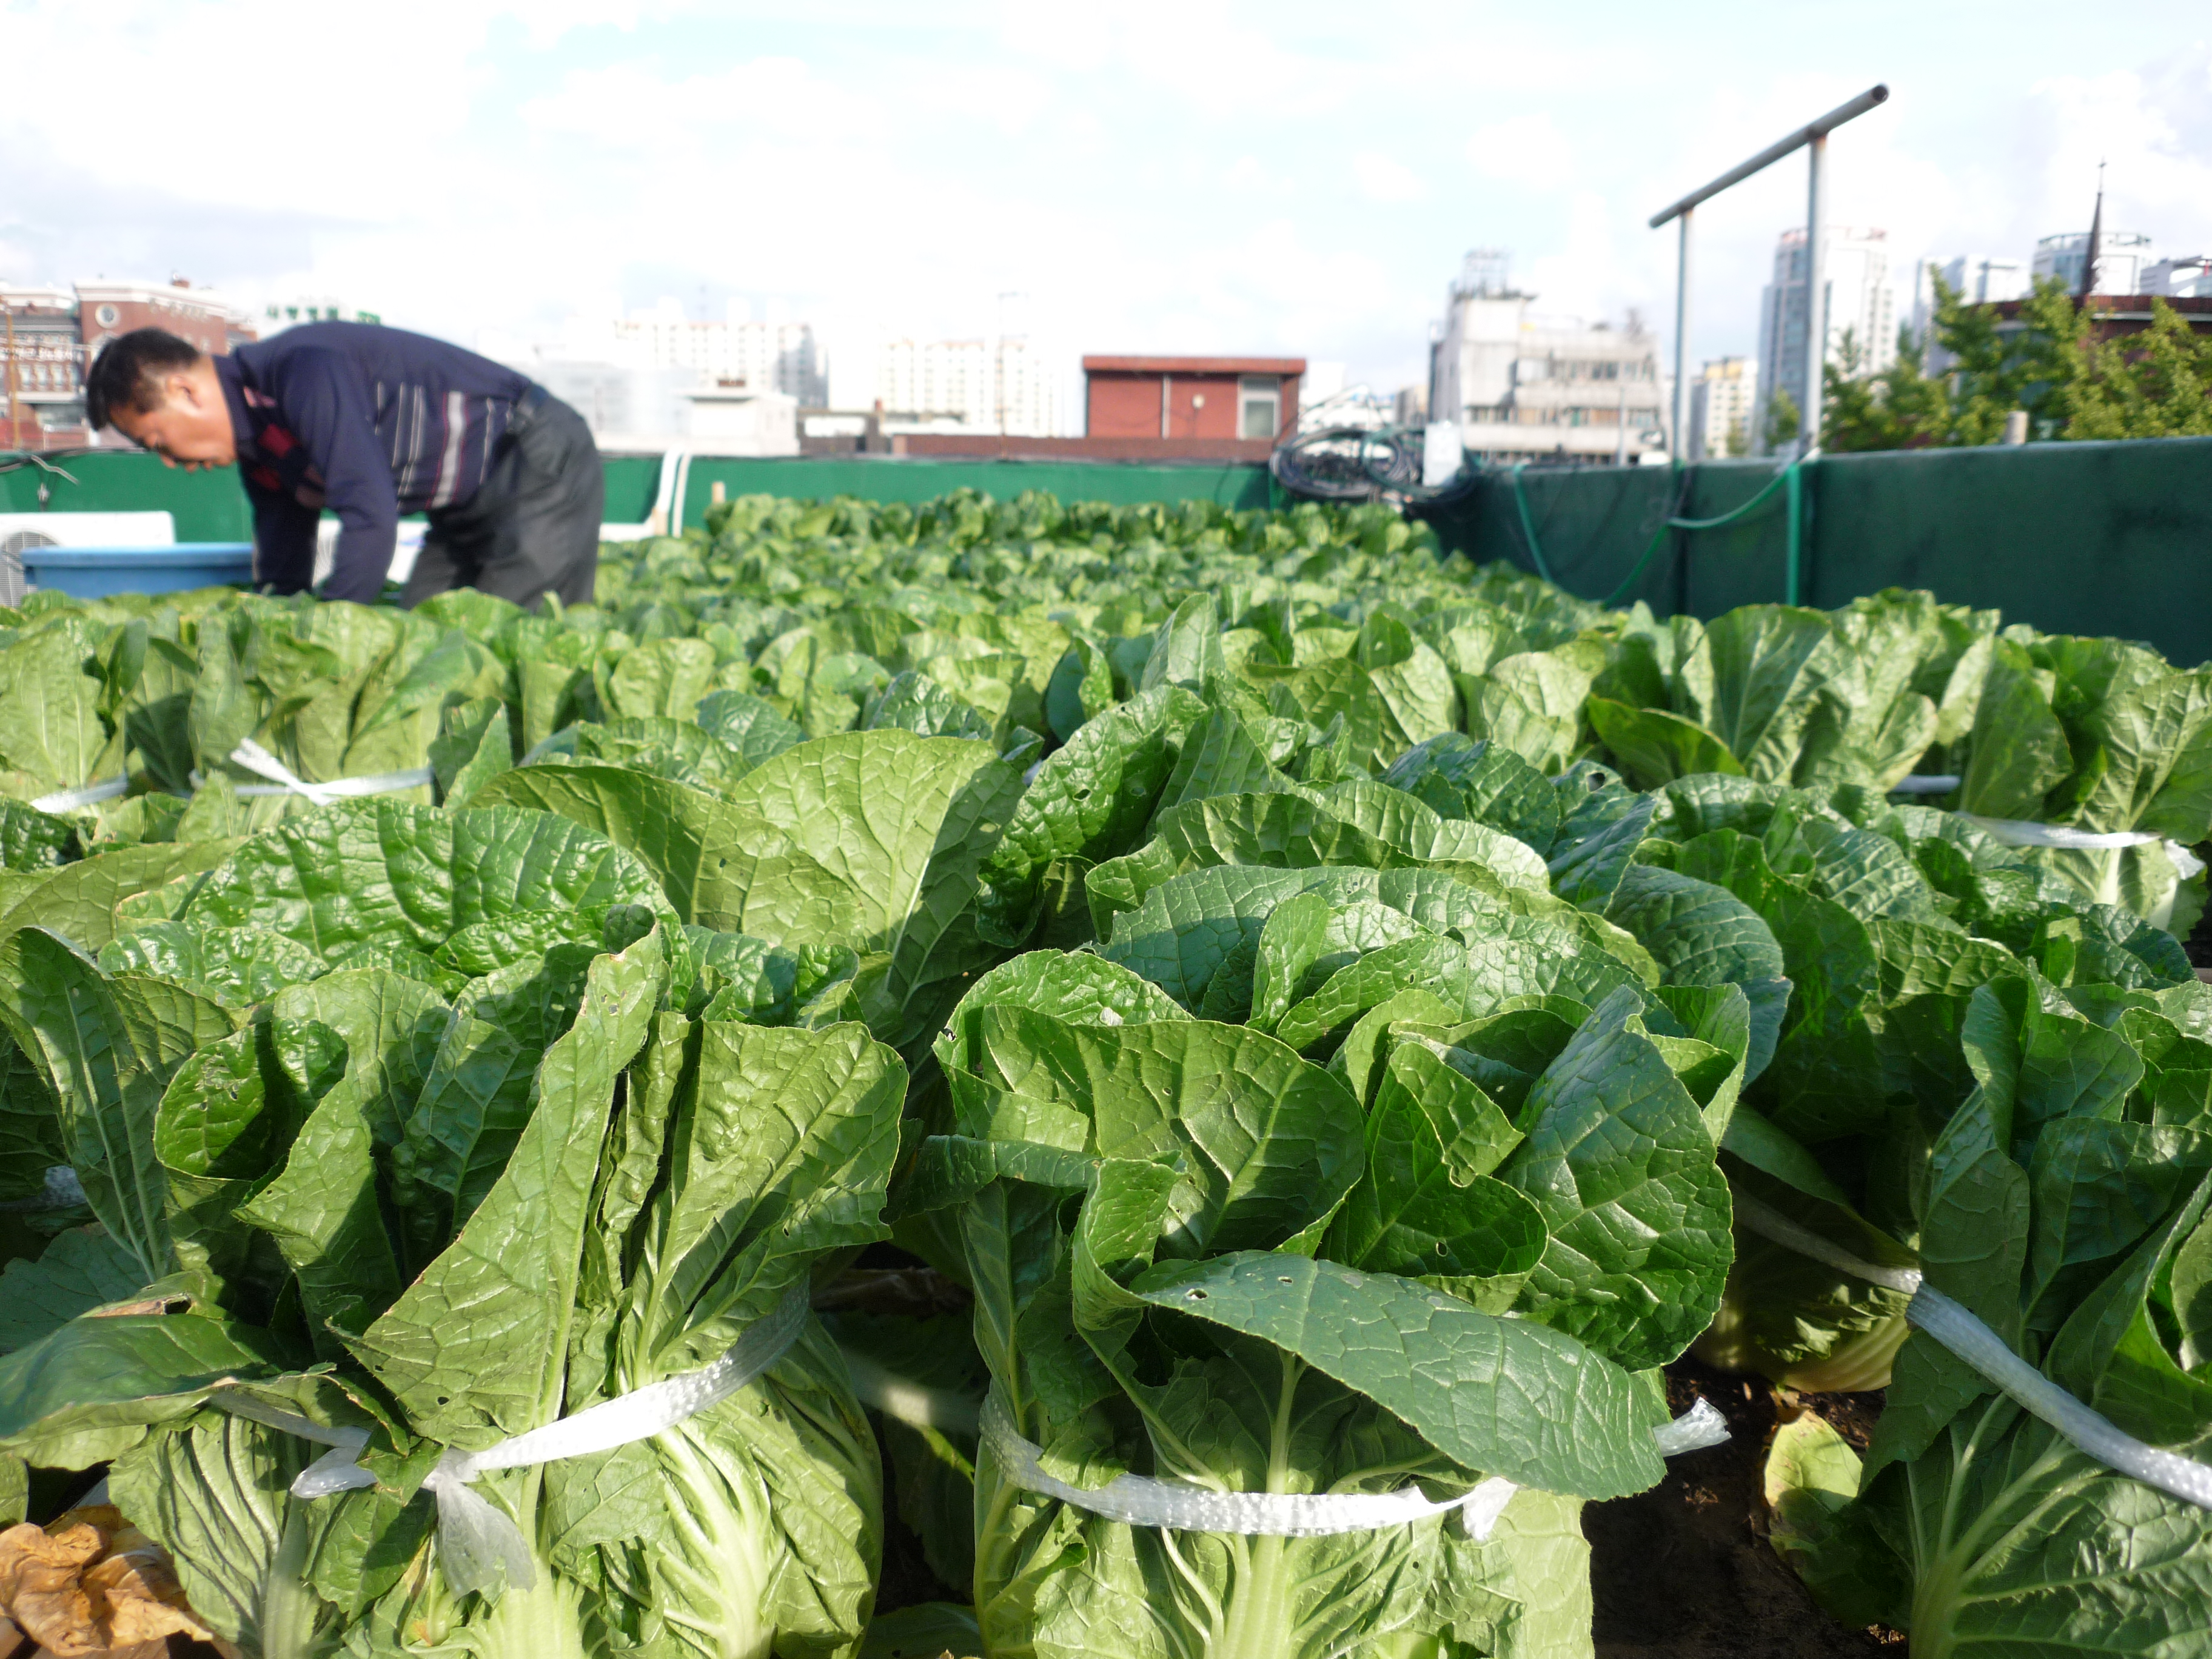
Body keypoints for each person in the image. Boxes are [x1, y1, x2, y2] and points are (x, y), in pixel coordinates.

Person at [83, 322, 601, 609]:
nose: (171, 463)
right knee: (423, 629)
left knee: (504, 639)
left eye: (158, 441)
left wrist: (332, 631)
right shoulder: (260, 452)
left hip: (533, 457)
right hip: (462, 509)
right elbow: (284, 568)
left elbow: (370, 514)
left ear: (185, 390)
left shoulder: (302, 371)